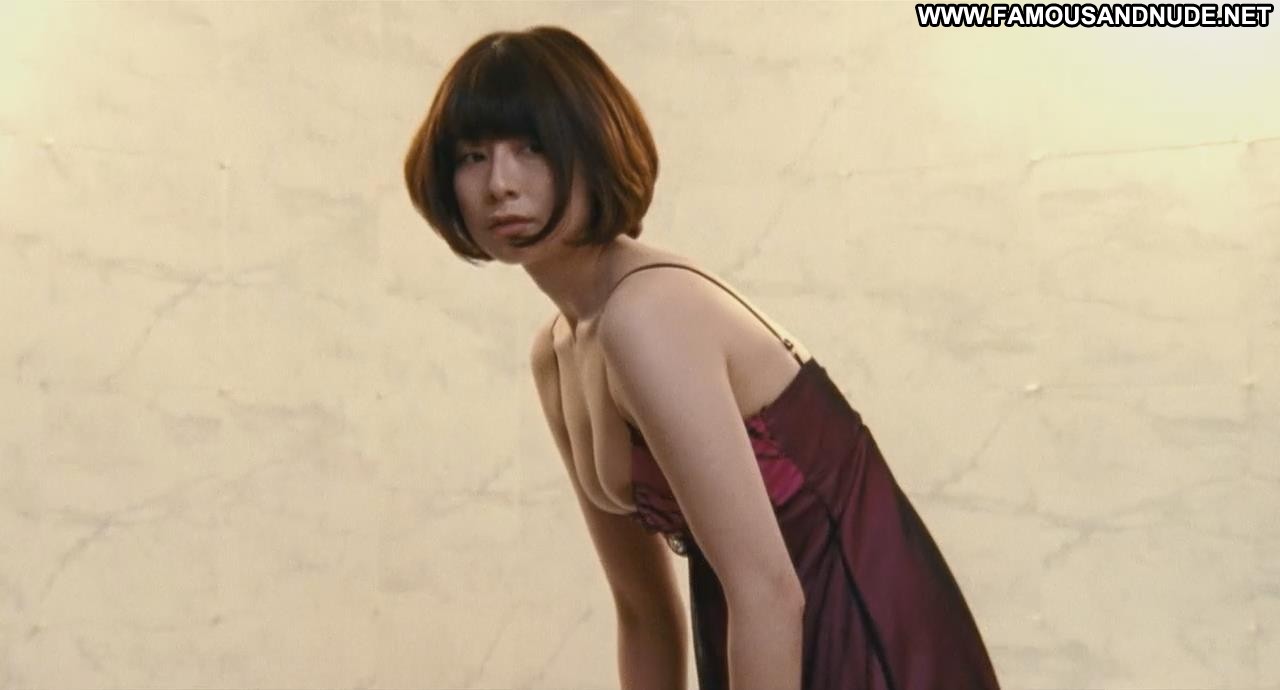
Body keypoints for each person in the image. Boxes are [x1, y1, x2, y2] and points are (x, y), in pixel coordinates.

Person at [403, 25, 1001, 690]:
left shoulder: (646, 314)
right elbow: (645, 614)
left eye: (531, 148)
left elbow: (771, 591)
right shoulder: (559, 350)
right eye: (472, 156)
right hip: (757, 639)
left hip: (860, 640)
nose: (500, 184)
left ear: (592, 148)